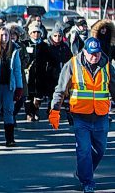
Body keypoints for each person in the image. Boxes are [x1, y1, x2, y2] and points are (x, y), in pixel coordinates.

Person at [49, 37, 115, 193]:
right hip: (80, 116)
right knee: (84, 150)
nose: (94, 57)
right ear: (84, 52)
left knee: (100, 149)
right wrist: (54, 110)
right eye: (91, 53)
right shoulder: (72, 65)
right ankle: (87, 181)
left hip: (101, 116)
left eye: (97, 53)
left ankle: (82, 172)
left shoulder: (107, 65)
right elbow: (61, 89)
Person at [0, 26, 23, 147]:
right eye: (2, 35)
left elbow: (17, 69)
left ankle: (10, 138)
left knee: (9, 110)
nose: (4, 37)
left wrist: (19, 87)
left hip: (8, 85)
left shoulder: (14, 49)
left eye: (6, 35)